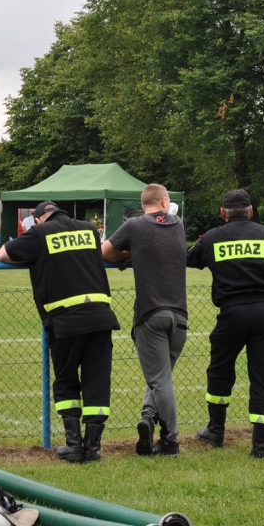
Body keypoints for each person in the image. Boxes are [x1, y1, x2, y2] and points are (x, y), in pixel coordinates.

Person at [0, 200, 119, 462]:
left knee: (65, 381)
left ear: (40, 218)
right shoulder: (88, 229)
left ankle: (74, 446)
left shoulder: (40, 232)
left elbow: (3, 255)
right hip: (100, 316)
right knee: (97, 380)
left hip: (66, 320)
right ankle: (94, 448)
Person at [186, 189, 264, 458]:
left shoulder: (213, 237)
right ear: (251, 210)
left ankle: (215, 431)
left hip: (232, 313)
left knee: (220, 370)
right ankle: (260, 446)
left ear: (222, 213)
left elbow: (189, 258)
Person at [101, 184, 188, 457]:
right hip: (180, 316)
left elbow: (104, 252)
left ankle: (171, 441)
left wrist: (128, 255)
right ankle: (148, 418)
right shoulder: (179, 225)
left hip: (151, 314)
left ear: (143, 204)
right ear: (164, 201)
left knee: (160, 381)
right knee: (161, 377)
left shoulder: (135, 226)